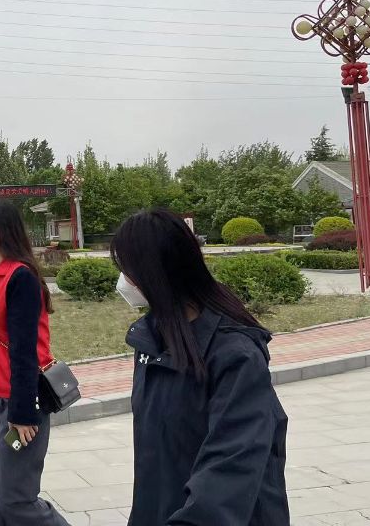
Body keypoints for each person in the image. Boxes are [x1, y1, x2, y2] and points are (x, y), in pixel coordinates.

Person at [111, 209, 289, 525]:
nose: (124, 281)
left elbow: (231, 467)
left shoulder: (235, 354)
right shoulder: (151, 341)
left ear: (153, 273)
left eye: (127, 270)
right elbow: (156, 463)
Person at [0, 201, 69, 526]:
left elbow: (25, 351)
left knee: (14, 499)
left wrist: (23, 413)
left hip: (16, 401)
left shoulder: (21, 278)